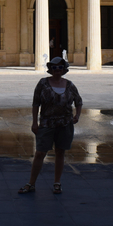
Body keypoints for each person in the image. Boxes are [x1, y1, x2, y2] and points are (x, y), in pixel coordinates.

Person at [18, 56, 82, 195]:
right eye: (54, 67)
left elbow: (78, 101)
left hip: (65, 123)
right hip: (46, 123)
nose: (57, 70)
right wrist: (34, 122)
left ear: (64, 69)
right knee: (40, 153)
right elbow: (36, 103)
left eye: (60, 67)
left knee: (60, 152)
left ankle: (57, 183)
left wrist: (77, 115)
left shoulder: (69, 85)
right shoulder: (43, 83)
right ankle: (31, 183)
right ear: (50, 69)